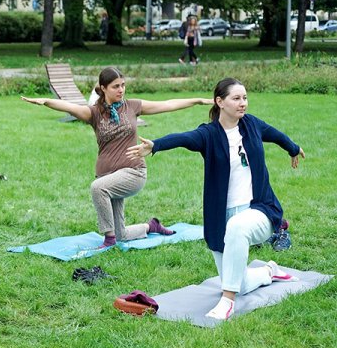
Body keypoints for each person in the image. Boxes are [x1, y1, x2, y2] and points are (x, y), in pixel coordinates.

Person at [127, 78, 304, 321]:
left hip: (260, 209)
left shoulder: (252, 125)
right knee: (238, 281)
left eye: (245, 98)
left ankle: (227, 301)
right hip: (222, 217)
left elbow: (276, 135)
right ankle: (268, 270)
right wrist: (156, 145)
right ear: (219, 102)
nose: (243, 103)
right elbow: (184, 138)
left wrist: (293, 148)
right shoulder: (208, 135)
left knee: (237, 230)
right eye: (236, 98)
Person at [22, 67, 211, 248]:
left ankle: (108, 239)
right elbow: (69, 106)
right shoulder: (94, 113)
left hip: (133, 171)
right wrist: (47, 101)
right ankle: (150, 226)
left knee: (98, 189)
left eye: (123, 85)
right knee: (122, 234)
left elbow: (168, 104)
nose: (121, 90)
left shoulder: (133, 106)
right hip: (107, 175)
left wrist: (197, 100)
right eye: (115, 86)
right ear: (103, 88)